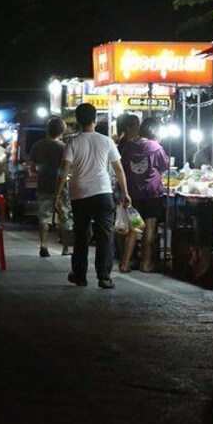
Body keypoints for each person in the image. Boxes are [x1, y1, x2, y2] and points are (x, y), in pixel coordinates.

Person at [55, 103, 131, 289]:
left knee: (81, 234)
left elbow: (64, 170)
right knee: (105, 235)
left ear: (78, 121)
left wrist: (56, 194)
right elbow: (119, 170)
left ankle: (80, 275)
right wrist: (125, 193)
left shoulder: (72, 142)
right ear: (94, 119)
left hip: (79, 194)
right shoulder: (107, 141)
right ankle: (104, 277)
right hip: (103, 193)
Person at [118, 116, 169, 273]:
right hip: (152, 193)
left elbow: (123, 168)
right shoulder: (156, 147)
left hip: (133, 192)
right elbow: (165, 165)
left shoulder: (128, 146)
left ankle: (125, 263)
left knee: (134, 229)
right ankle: (145, 264)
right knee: (150, 229)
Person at [29, 116, 73, 257]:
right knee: (65, 216)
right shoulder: (65, 147)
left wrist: (43, 170)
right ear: (62, 131)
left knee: (44, 217)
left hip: (43, 186)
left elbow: (33, 168)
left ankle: (43, 245)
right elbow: (68, 169)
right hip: (62, 187)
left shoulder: (37, 145)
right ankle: (66, 249)